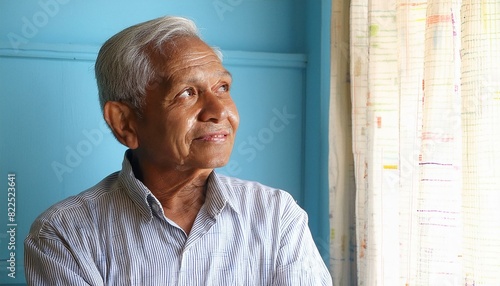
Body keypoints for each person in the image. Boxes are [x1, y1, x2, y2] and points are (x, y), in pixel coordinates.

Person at [24, 16, 332, 285]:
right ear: (125, 122)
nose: (218, 111)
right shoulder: (64, 234)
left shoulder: (276, 216)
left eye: (222, 88)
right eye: (187, 93)